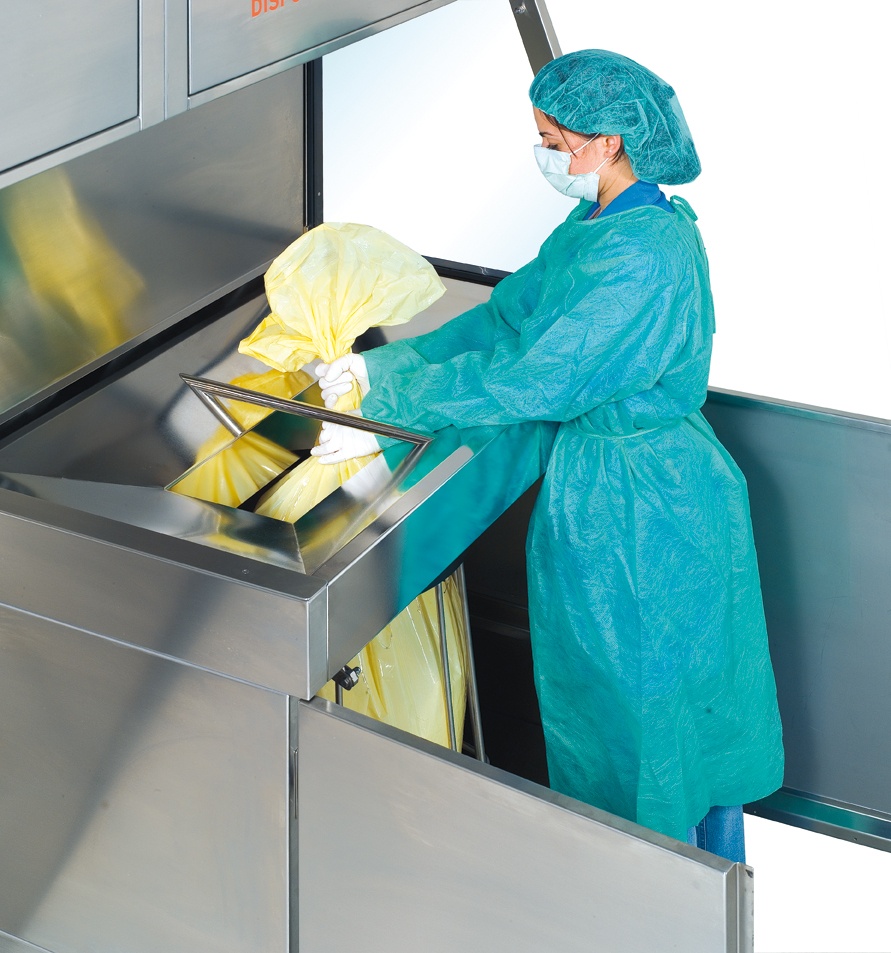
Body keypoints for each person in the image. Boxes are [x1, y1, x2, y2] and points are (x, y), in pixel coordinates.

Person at [310, 49, 784, 863]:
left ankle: (675, 894)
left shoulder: (643, 256)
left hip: (648, 510)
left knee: (651, 719)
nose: (544, 153)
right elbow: (505, 320)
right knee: (621, 713)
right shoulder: (595, 224)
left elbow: (535, 374)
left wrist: (388, 410)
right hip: (603, 494)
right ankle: (642, 880)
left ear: (607, 140)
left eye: (554, 139)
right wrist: (378, 371)